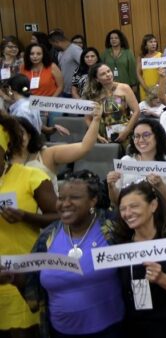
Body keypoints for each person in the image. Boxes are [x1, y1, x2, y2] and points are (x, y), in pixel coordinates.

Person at [12, 176, 124, 337]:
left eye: (74, 198)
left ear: (93, 201)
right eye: (61, 198)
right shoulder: (48, 237)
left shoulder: (113, 229)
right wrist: (13, 278)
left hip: (111, 331)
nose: (65, 204)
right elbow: (32, 283)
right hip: (59, 332)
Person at [0, 114, 58, 336]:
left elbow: (62, 218)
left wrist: (25, 216)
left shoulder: (31, 177)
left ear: (4, 150)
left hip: (23, 277)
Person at [115, 181, 166, 338]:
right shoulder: (121, 242)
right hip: (135, 326)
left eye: (134, 206)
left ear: (153, 205)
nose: (127, 213)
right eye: (123, 209)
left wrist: (161, 278)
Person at [106, 118, 166, 208]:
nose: (141, 140)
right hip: (129, 215)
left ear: (157, 136)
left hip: (159, 217)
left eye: (146, 135)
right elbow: (116, 201)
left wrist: (160, 185)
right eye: (136, 136)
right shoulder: (125, 161)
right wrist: (111, 186)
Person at [12, 105, 101, 184]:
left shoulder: (47, 154)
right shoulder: (4, 159)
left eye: (21, 133)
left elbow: (84, 147)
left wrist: (96, 120)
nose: (17, 138)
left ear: (29, 134)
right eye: (12, 134)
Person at [83, 63, 140, 146]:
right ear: (97, 79)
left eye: (108, 71)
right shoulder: (93, 94)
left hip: (126, 134)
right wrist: (97, 136)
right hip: (104, 138)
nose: (108, 75)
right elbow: (87, 119)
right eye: (103, 74)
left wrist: (126, 132)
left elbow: (136, 111)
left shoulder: (124, 88)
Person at [49, 31, 82, 98]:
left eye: (53, 44)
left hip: (76, 92)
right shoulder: (60, 53)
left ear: (57, 42)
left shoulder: (75, 50)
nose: (53, 47)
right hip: (65, 91)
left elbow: (86, 65)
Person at [137, 34, 162, 99]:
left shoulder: (160, 55)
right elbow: (138, 74)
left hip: (157, 87)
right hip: (144, 88)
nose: (153, 44)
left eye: (155, 42)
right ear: (145, 45)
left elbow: (162, 73)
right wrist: (146, 89)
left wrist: (156, 87)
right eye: (151, 42)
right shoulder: (141, 57)